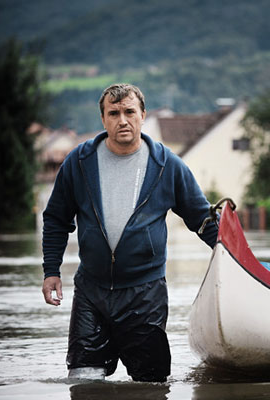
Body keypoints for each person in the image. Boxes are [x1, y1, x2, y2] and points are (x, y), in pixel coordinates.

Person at [41, 83, 218, 382]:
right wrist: (51, 270)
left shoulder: (167, 165)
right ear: (103, 119)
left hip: (144, 295)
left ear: (143, 115)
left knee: (151, 385)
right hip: (91, 294)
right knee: (84, 384)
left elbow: (201, 219)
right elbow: (56, 219)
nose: (122, 120)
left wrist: (236, 258)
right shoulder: (78, 163)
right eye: (114, 113)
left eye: (129, 112)